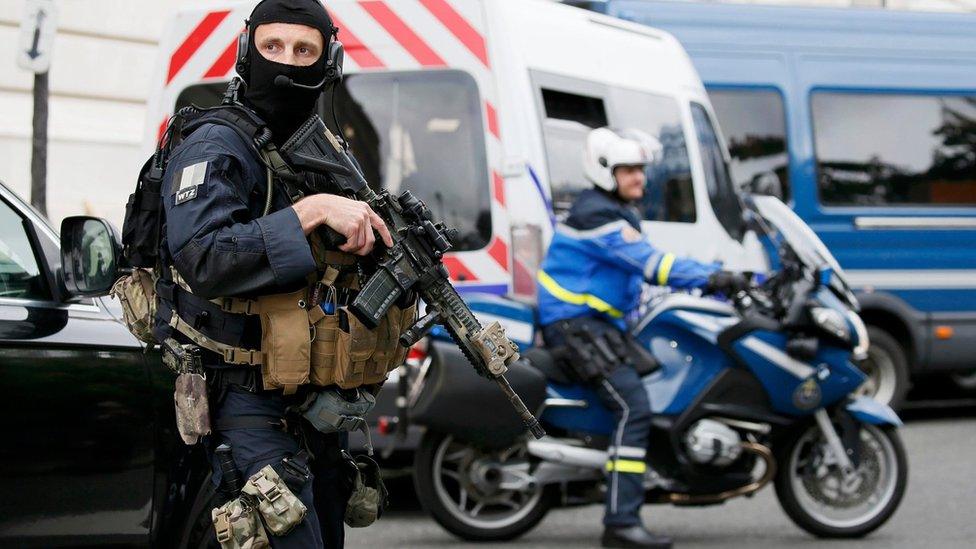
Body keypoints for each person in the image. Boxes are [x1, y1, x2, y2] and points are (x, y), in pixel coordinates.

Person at [152, 1, 394, 546]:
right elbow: (204, 256)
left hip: (316, 406)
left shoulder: (320, 147)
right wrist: (310, 212)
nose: (288, 64)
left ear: (327, 61)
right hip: (245, 403)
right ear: (246, 50)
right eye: (273, 48)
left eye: (305, 51)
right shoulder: (216, 145)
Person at [537, 127, 745, 549]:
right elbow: (652, 264)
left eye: (640, 170)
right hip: (577, 328)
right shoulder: (599, 215)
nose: (639, 179)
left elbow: (639, 271)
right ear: (604, 172)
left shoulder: (609, 210)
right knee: (634, 407)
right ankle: (621, 522)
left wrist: (713, 277)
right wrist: (714, 277)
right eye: (628, 170)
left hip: (592, 325)